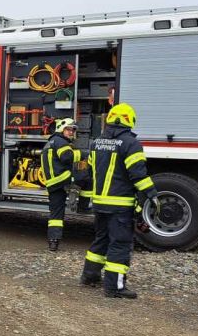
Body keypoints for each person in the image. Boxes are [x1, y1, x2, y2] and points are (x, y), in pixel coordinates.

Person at [80, 103, 160, 299]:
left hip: (99, 204)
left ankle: (90, 276)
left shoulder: (96, 142)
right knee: (120, 244)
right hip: (120, 205)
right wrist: (153, 194)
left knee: (101, 239)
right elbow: (138, 176)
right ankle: (114, 287)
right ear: (129, 120)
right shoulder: (131, 144)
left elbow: (90, 173)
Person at [41, 118, 82, 252]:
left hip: (53, 183)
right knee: (87, 177)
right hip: (62, 179)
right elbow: (67, 157)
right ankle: (85, 205)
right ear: (60, 129)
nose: (71, 132)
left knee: (56, 213)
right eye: (68, 129)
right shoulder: (60, 141)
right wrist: (82, 154)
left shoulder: (51, 141)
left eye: (72, 130)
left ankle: (53, 241)